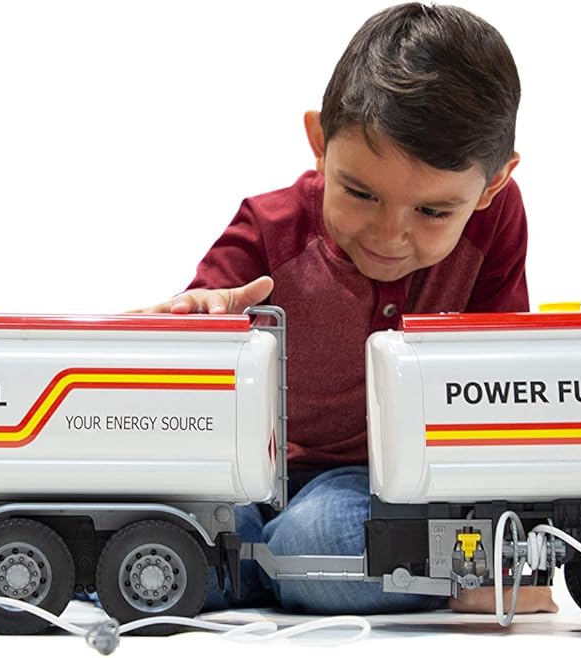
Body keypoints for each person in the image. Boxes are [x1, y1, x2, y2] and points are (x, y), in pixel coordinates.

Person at [135, 2, 556, 615]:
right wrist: (198, 315)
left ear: (492, 186)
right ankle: (279, 572)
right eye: (360, 193)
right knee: (174, 527)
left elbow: (498, 379)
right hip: (251, 478)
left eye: (433, 212)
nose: (390, 234)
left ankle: (253, 572)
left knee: (318, 536)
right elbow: (194, 327)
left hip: (377, 485)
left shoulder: (497, 223)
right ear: (319, 145)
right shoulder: (269, 227)